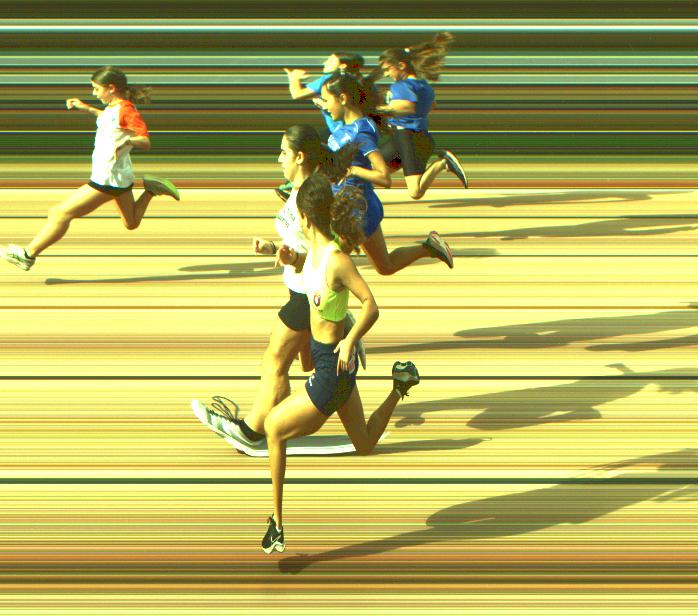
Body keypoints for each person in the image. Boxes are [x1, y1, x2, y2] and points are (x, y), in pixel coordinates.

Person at [198, 173, 420, 554]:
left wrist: (350, 340)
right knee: (365, 443)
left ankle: (277, 524)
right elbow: (311, 271)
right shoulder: (317, 252)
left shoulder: (337, 260)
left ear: (304, 217)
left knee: (273, 427)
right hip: (334, 366)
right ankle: (400, 386)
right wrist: (286, 256)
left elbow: (371, 305)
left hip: (332, 368)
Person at [193, 125, 366, 446]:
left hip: (305, 295)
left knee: (275, 360)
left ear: (299, 157)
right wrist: (275, 249)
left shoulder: (312, 196)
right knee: (310, 364)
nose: (279, 159)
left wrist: (300, 262)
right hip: (305, 292)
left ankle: (252, 431)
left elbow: (328, 249)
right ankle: (290, 418)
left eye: (284, 152)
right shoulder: (301, 190)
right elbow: (306, 244)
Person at [0, 66, 179, 271]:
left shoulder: (127, 111)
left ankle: (27, 255)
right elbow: (109, 120)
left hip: (106, 179)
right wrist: (86, 108)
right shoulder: (114, 108)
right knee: (131, 223)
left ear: (111, 88)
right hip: (119, 177)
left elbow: (145, 141)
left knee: (59, 213)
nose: (94, 93)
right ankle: (151, 190)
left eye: (96, 89)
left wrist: (127, 141)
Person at [321, 71, 454, 273]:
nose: (324, 106)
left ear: (343, 98)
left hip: (357, 210)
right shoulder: (343, 129)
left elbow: (384, 177)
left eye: (326, 100)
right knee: (385, 266)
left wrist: (353, 170)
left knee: (329, 260)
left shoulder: (361, 132)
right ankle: (430, 247)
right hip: (343, 205)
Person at [373, 32, 469, 199]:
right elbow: (431, 105)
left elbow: (407, 107)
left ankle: (443, 162)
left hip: (408, 138)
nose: (387, 74)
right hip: (408, 137)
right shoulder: (424, 85)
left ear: (401, 65)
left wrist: (379, 110)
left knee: (415, 191)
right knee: (378, 172)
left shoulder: (401, 85)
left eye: (388, 69)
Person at [276, 52, 368, 202]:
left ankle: (295, 186)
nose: (325, 63)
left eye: (330, 61)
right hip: (349, 130)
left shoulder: (328, 81)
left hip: (339, 133)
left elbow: (296, 94)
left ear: (342, 65)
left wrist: (293, 77)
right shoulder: (355, 81)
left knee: (306, 148)